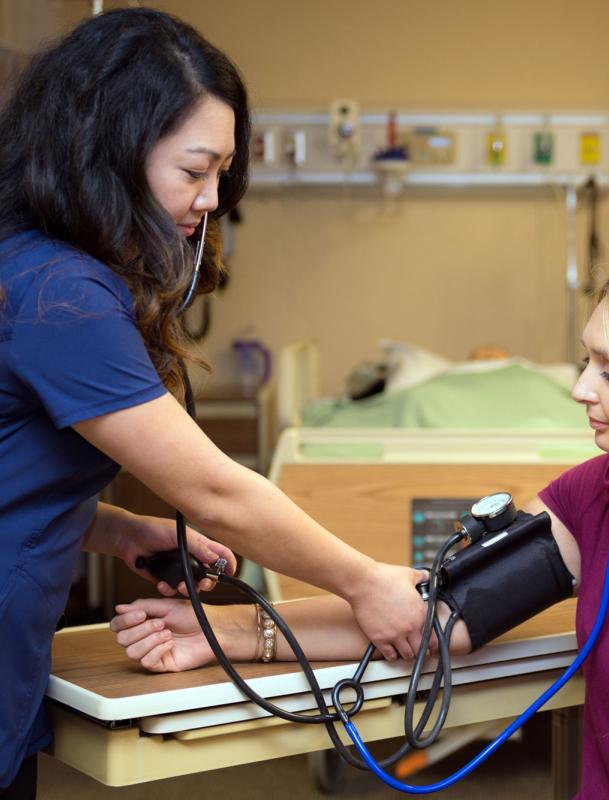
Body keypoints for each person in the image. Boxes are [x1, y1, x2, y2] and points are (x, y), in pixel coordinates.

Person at [115, 249, 609, 799]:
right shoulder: (606, 492)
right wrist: (225, 632)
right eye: (587, 360)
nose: (579, 389)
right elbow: (435, 617)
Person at [0, 9, 427, 796]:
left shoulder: (25, 263)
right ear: (110, 156)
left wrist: (122, 530)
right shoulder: (62, 294)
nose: (212, 201)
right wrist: (367, 584)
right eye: (195, 171)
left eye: (224, 174)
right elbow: (214, 491)